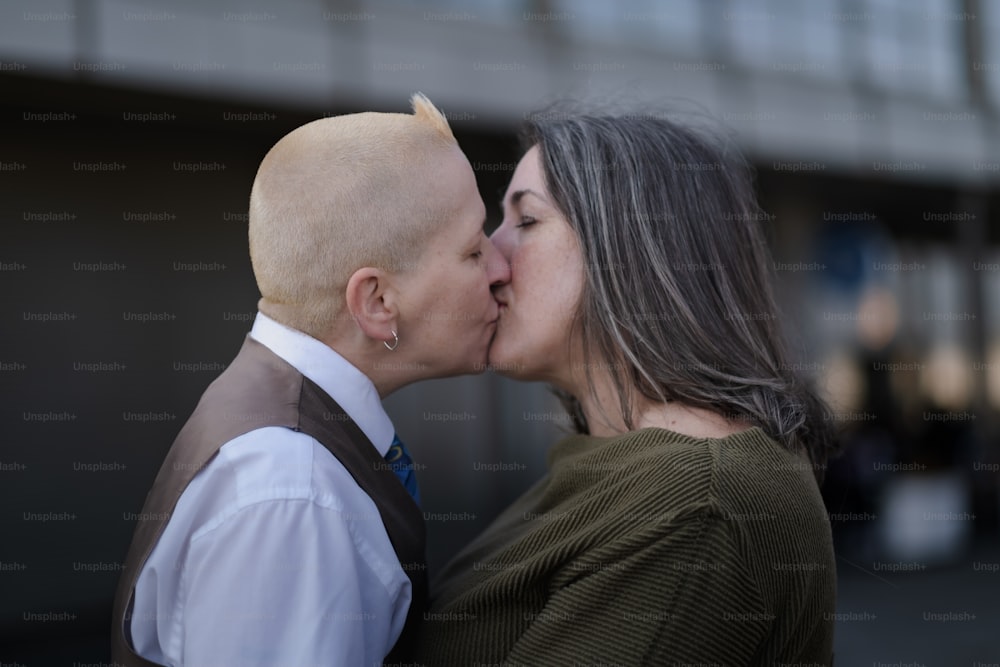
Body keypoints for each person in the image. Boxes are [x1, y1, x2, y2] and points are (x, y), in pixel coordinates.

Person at [417, 112, 840, 665]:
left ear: (632, 248)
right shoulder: (626, 468)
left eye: (525, 221)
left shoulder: (697, 508)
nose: (490, 260)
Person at [110, 93, 510, 667]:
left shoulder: (285, 448)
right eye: (474, 250)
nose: (501, 269)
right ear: (377, 302)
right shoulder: (294, 493)